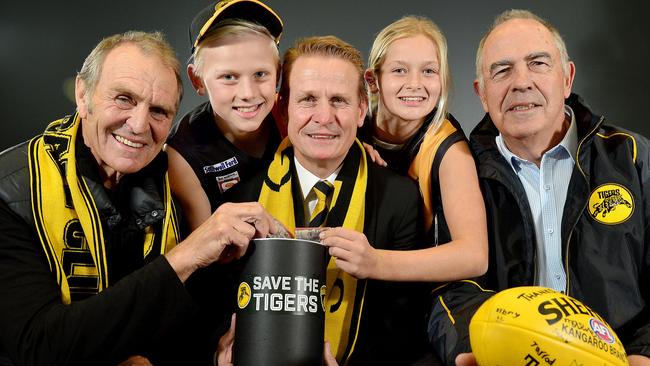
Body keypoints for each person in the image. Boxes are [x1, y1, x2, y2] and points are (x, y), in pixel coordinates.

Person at [0, 31, 276, 365]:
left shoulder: (174, 178)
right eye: (124, 99)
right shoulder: (11, 190)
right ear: (82, 93)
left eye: (159, 111)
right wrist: (187, 254)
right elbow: (38, 347)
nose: (139, 123)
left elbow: (188, 322)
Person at [427, 9, 650, 366]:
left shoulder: (633, 159)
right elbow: (448, 290)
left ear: (567, 78)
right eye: (502, 70)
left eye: (538, 63)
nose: (520, 82)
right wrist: (475, 348)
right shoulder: (461, 174)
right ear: (481, 94)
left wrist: (642, 356)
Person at [221, 35, 433, 365]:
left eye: (338, 100)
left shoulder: (400, 197)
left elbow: (405, 330)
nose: (323, 117)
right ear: (283, 110)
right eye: (307, 99)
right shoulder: (240, 201)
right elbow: (217, 313)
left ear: (361, 110)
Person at [353, 15, 487, 283]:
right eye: (399, 70)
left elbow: (474, 255)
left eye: (428, 71)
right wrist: (348, 149)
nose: (415, 83)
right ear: (372, 81)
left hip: (416, 291)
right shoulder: (348, 127)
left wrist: (375, 262)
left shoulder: (449, 148)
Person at [166, 0, 284, 232]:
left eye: (260, 74)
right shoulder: (184, 152)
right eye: (229, 77)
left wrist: (359, 147)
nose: (248, 94)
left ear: (278, 74)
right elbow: (205, 249)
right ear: (197, 80)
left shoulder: (294, 114)